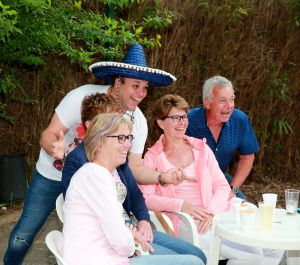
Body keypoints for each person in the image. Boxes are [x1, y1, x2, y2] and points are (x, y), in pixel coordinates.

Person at [3, 43, 182, 265]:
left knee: (90, 230)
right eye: (136, 85)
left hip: (96, 182)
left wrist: (161, 177)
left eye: (145, 88)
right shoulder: (81, 98)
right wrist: (55, 150)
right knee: (23, 236)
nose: (141, 93)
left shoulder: (138, 123)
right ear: (118, 83)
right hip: (53, 174)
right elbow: (49, 134)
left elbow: (133, 168)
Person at [139, 94, 284, 265]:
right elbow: (146, 199)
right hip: (188, 221)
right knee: (252, 254)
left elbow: (222, 186)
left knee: (274, 246)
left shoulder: (200, 147)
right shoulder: (153, 157)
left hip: (217, 211)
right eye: (175, 118)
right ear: (160, 122)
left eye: (184, 117)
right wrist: (181, 205)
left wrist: (211, 212)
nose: (182, 122)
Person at [61, 92, 206, 263]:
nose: (128, 144)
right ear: (97, 133)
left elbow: (135, 195)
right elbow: (109, 231)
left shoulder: (110, 167)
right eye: (120, 137)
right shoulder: (92, 173)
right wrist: (132, 240)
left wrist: (142, 222)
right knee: (193, 262)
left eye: (128, 137)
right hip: (105, 252)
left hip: (122, 236)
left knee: (198, 256)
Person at [186, 76, 260, 199]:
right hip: (190, 182)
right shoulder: (188, 120)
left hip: (220, 179)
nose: (229, 106)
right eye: (222, 100)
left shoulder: (239, 120)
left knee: (244, 209)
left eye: (232, 99)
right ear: (207, 103)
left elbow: (248, 157)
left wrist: (233, 189)